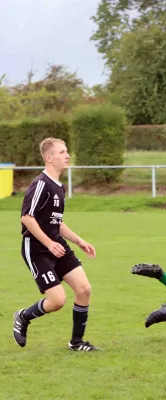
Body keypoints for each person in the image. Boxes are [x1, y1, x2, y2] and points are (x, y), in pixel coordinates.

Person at [13, 137, 100, 351]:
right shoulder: (40, 185)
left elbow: (56, 221)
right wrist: (49, 243)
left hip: (57, 245)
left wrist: (79, 241)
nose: (67, 155)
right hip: (37, 250)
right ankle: (23, 316)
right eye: (62, 152)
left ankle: (77, 343)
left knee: (84, 289)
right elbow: (27, 218)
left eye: (67, 151)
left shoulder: (60, 187)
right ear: (49, 158)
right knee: (57, 301)